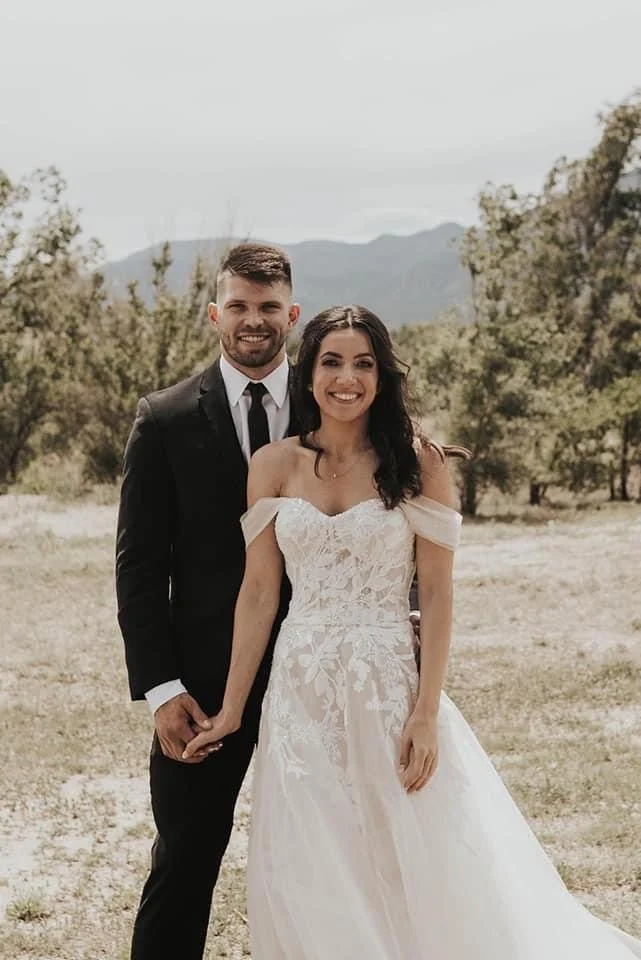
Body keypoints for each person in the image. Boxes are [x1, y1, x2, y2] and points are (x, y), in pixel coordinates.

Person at [185, 305, 641, 959]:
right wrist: (233, 706)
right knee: (311, 855)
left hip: (388, 685)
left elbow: (435, 590)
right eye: (332, 362)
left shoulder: (418, 462)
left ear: (382, 376)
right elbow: (259, 593)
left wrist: (425, 712)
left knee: (409, 849)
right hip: (300, 692)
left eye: (363, 363)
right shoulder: (272, 465)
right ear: (308, 374)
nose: (347, 378)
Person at [116, 243, 301, 960]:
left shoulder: (336, 403)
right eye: (238, 307)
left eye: (266, 308)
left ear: (291, 313)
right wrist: (162, 688)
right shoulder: (162, 420)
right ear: (213, 313)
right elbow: (138, 569)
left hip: (317, 676)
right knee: (184, 863)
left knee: (337, 857)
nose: (252, 321)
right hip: (201, 687)